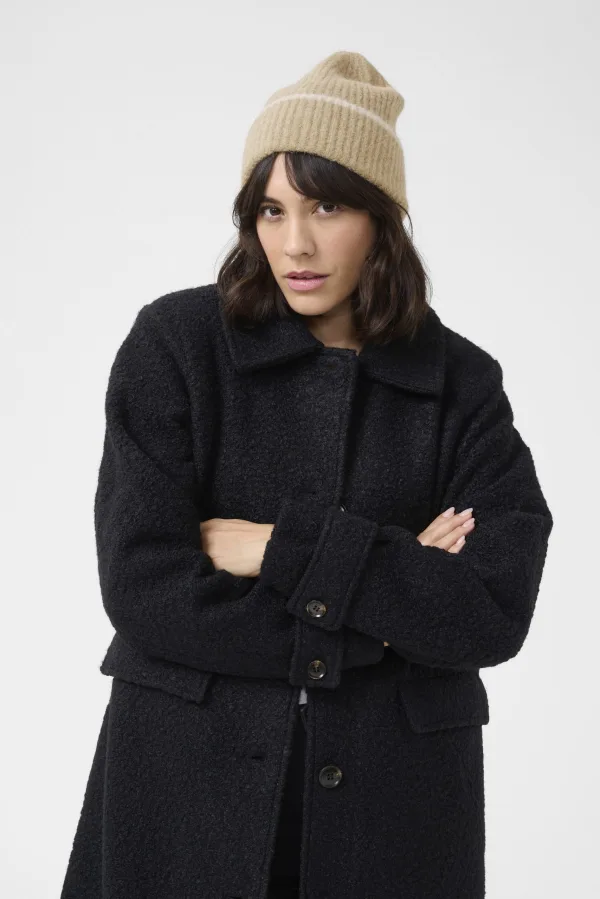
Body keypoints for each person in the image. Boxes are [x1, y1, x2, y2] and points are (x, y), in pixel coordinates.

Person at [60, 51, 553, 899]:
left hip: (394, 807)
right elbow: (145, 585)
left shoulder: (460, 383)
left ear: (383, 218)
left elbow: (489, 609)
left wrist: (275, 547)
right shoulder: (177, 347)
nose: (295, 242)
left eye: (328, 205)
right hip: (185, 789)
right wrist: (383, 605)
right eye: (271, 209)